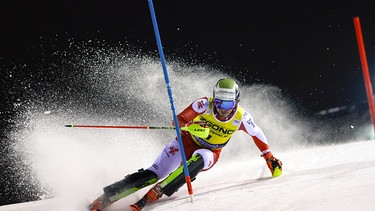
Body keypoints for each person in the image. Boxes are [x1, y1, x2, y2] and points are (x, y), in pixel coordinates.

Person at [89, 78, 283, 211]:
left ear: (236, 102)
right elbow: (178, 120)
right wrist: (190, 126)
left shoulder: (242, 117)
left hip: (210, 152)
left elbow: (257, 134)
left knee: (200, 159)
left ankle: (153, 195)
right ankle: (104, 199)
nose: (223, 110)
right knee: (154, 173)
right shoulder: (204, 104)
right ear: (214, 99)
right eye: (219, 103)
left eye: (228, 105)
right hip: (185, 141)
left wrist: (269, 157)